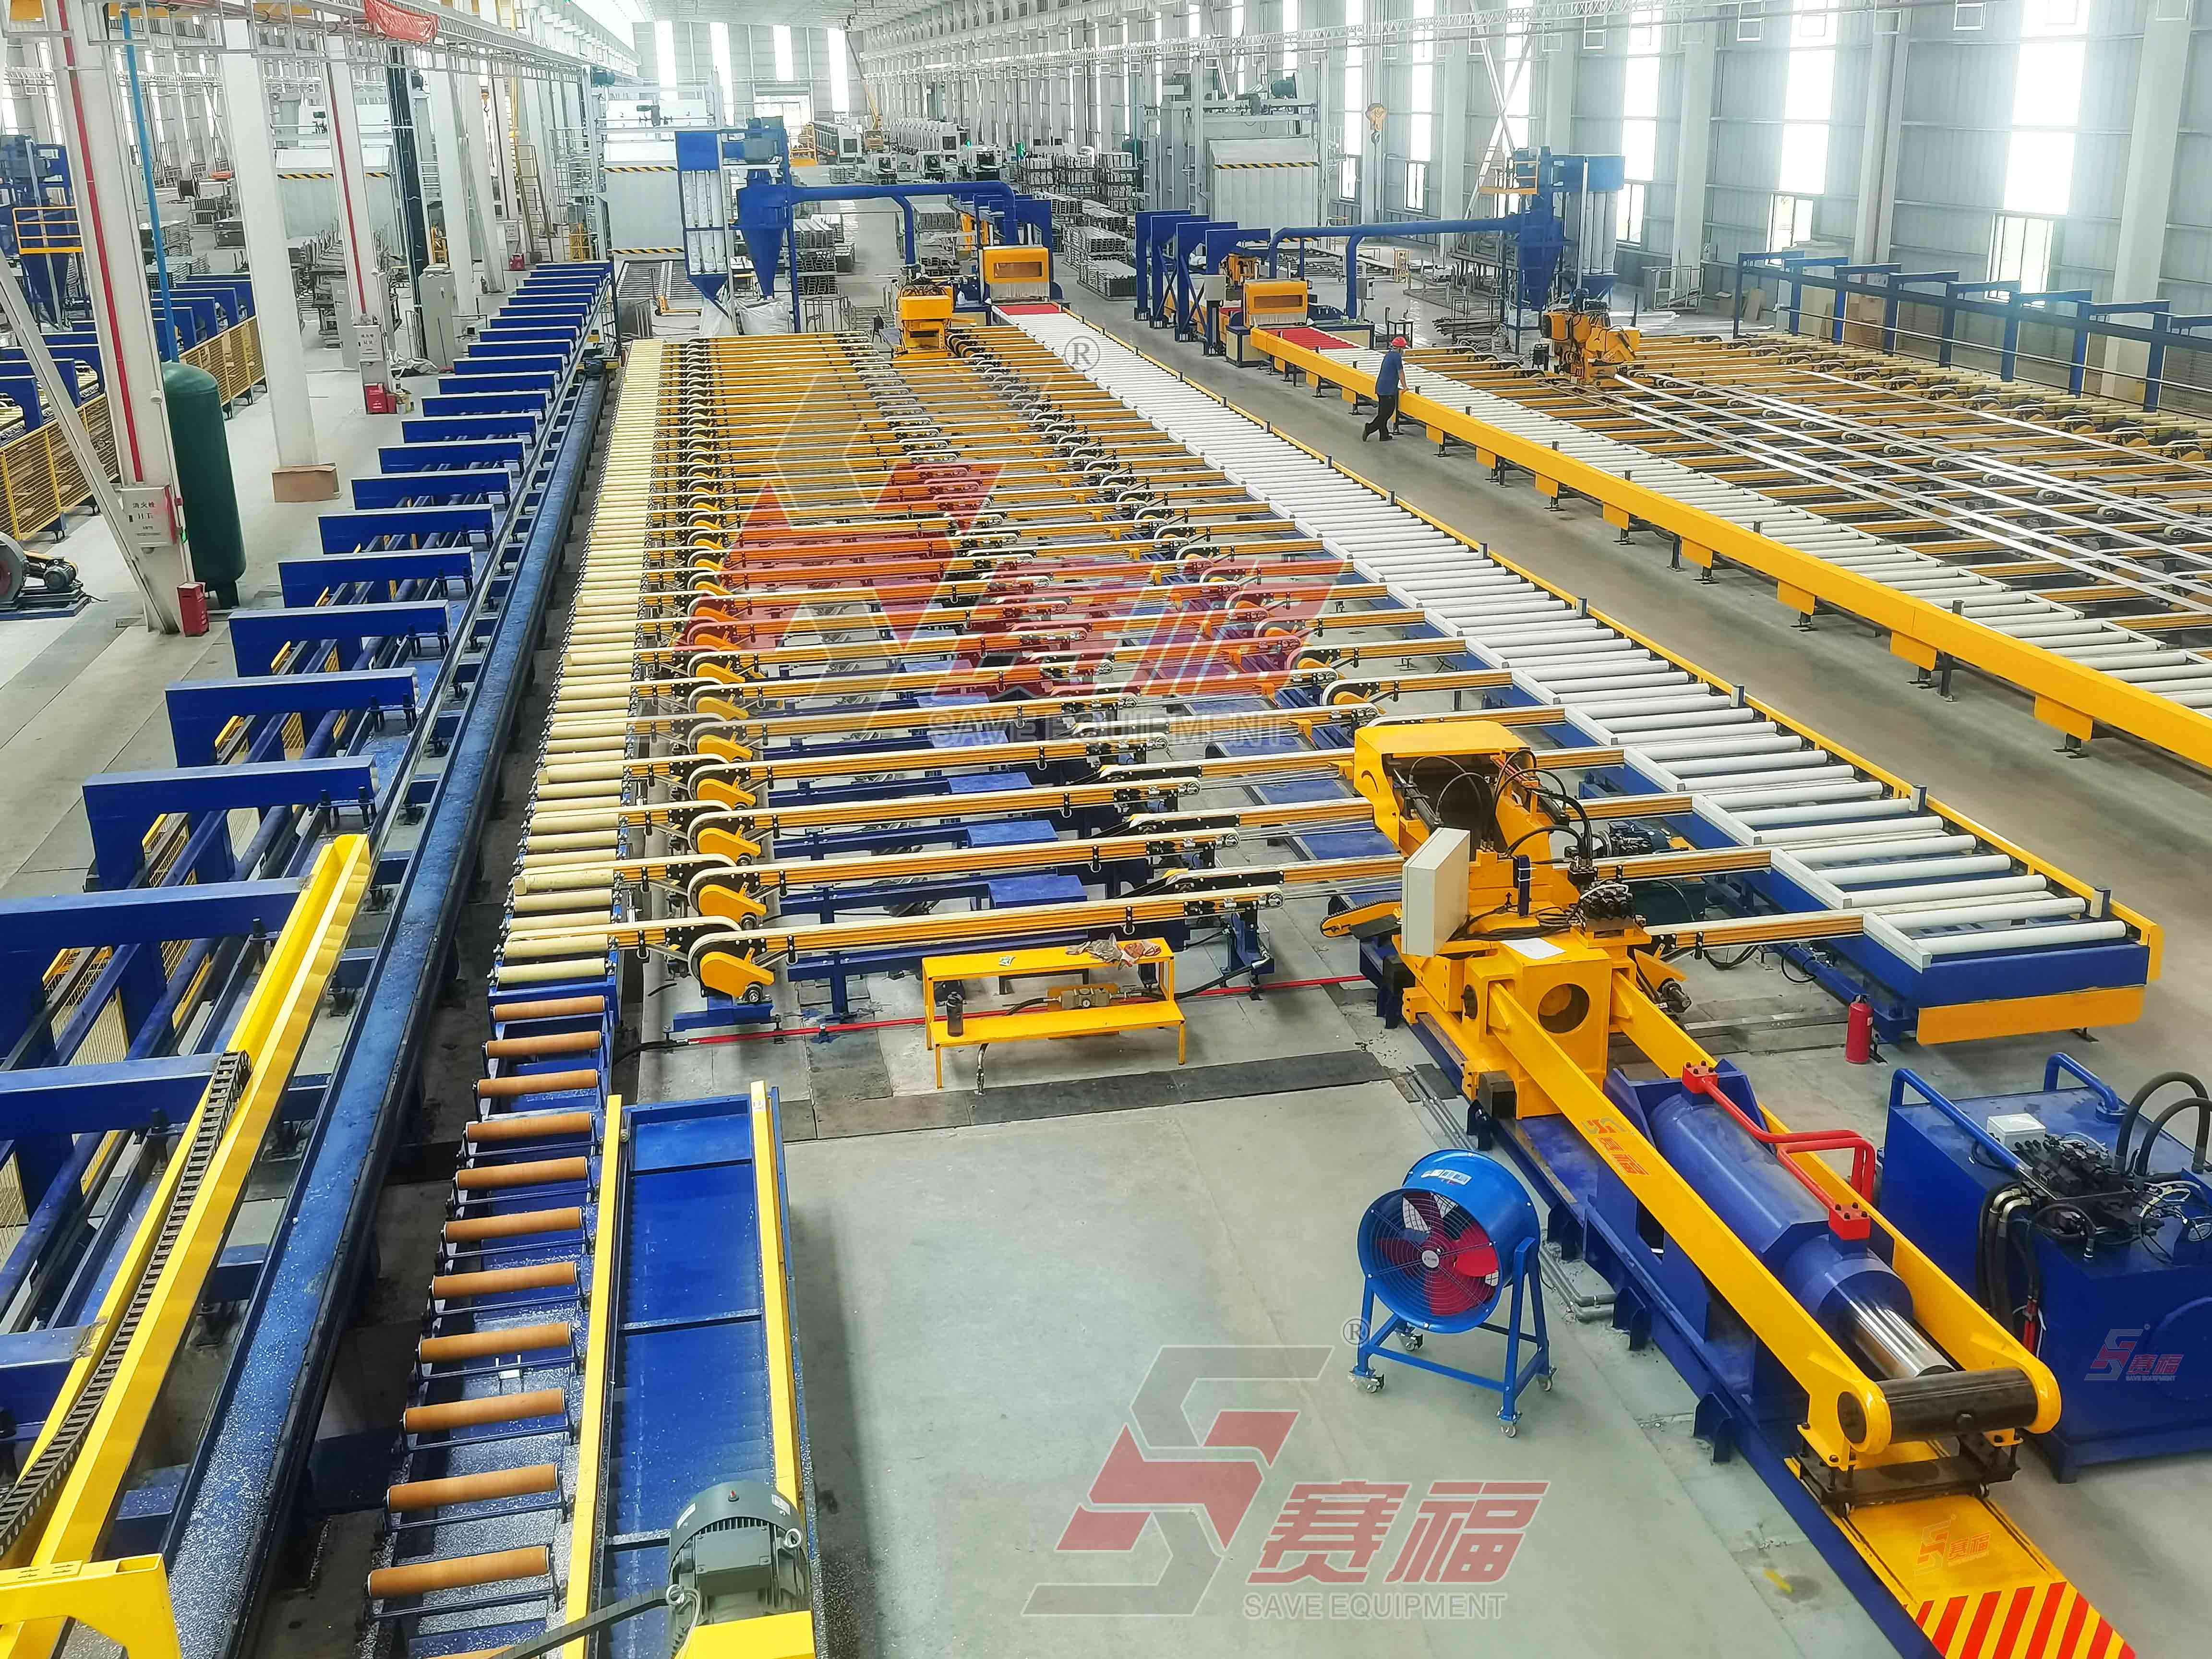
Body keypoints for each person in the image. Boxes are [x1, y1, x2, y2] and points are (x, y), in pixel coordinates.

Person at [1363, 336, 1408, 442]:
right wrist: (1405, 387)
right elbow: (1401, 372)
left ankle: (1384, 435)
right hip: (1388, 390)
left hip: (1381, 388)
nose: (1404, 351)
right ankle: (1370, 428)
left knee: (1382, 413)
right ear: (1400, 349)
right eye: (1403, 348)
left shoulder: (1388, 355)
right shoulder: (1397, 357)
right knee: (1387, 413)